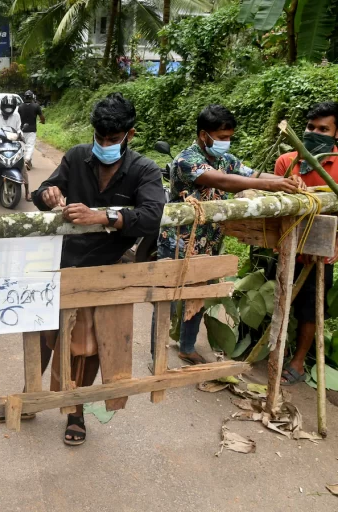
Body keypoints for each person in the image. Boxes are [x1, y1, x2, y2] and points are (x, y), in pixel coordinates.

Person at [32, 92, 166, 445]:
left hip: (107, 270)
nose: (105, 145)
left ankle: (75, 410)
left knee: (88, 345)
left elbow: (152, 216)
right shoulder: (77, 157)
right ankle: (33, 394)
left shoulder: (144, 170)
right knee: (45, 334)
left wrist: (103, 216)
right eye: (100, 138)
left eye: (113, 139)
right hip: (62, 262)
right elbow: (46, 188)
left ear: (129, 135)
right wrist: (47, 194)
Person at [155, 105, 300, 365]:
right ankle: (157, 351)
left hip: (209, 241)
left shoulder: (226, 159)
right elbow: (223, 182)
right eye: (221, 137)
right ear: (203, 135)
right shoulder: (185, 160)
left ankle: (187, 347)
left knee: (198, 296)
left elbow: (250, 174)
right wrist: (271, 184)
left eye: (229, 137)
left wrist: (287, 180)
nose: (226, 142)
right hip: (179, 243)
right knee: (167, 299)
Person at [274, 101, 338, 385]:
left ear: (336, 134)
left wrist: (336, 245)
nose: (315, 132)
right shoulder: (287, 162)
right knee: (278, 297)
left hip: (320, 251)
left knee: (312, 307)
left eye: (324, 129)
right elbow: (273, 207)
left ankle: (298, 362)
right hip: (285, 245)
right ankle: (274, 348)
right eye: (311, 127)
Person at [18, 90, 45, 170]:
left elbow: (17, 117)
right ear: (33, 97)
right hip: (31, 130)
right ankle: (27, 160)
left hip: (22, 129)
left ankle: (24, 161)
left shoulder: (20, 106)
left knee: (22, 146)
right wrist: (42, 121)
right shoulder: (36, 106)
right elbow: (42, 117)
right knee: (30, 146)